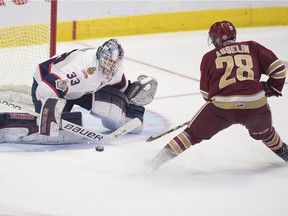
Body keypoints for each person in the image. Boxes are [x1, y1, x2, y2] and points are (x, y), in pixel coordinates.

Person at [147, 21, 287, 170]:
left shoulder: (209, 57)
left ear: (219, 38)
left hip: (222, 107)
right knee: (267, 134)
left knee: (191, 134)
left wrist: (214, 111)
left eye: (214, 38)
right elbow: (279, 69)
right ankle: (286, 153)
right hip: (256, 104)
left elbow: (206, 93)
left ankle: (154, 163)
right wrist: (270, 88)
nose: (213, 42)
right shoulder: (253, 47)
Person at [31, 39, 158, 136]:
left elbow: (123, 89)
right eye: (108, 61)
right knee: (51, 129)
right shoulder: (82, 69)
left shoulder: (116, 70)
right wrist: (50, 114)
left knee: (113, 101)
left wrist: (133, 96)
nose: (110, 67)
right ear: (100, 57)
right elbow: (45, 89)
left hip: (80, 91)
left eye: (114, 63)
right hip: (46, 82)